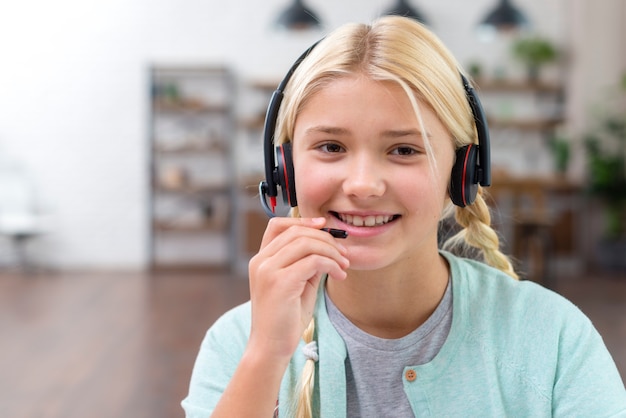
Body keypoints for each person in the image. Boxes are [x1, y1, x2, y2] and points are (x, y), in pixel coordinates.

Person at [182, 15, 626, 417]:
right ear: (284, 169)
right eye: (331, 147)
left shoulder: (554, 339)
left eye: (404, 150)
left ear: (463, 172)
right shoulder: (239, 344)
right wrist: (267, 356)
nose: (362, 184)